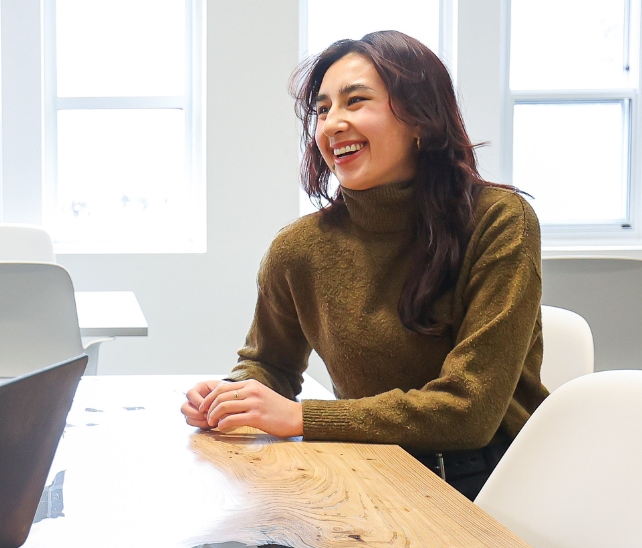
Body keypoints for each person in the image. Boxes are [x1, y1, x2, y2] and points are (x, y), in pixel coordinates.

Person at [180, 30, 549, 499]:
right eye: (321, 109)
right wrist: (231, 398)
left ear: (420, 118)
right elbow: (268, 363)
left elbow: (468, 411)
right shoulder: (299, 248)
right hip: (367, 468)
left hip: (490, 484)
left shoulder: (498, 220)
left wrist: (301, 418)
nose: (332, 123)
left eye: (356, 101)